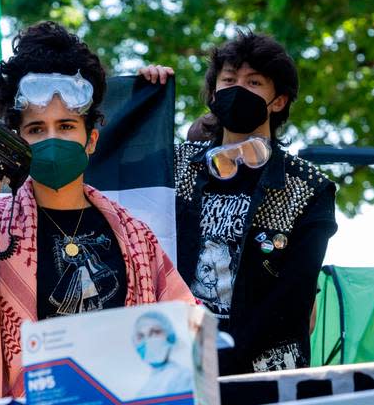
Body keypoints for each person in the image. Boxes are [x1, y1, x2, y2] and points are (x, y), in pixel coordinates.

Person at [0, 22, 193, 399]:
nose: (53, 139)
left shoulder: (133, 234)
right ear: (17, 138)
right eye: (37, 129)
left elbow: (182, 322)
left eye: (66, 125)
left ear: (90, 139)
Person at [139, 31, 337, 374]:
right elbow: (109, 183)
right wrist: (141, 95)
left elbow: (294, 298)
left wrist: (226, 358)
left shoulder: (309, 187)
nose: (237, 89)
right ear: (213, 93)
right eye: (228, 80)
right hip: (178, 364)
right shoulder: (175, 166)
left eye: (254, 82)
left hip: (266, 374)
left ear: (278, 101)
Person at [132, 311, 191, 398]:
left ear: (170, 338)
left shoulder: (184, 377)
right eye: (141, 336)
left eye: (155, 332)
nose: (147, 340)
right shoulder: (145, 389)